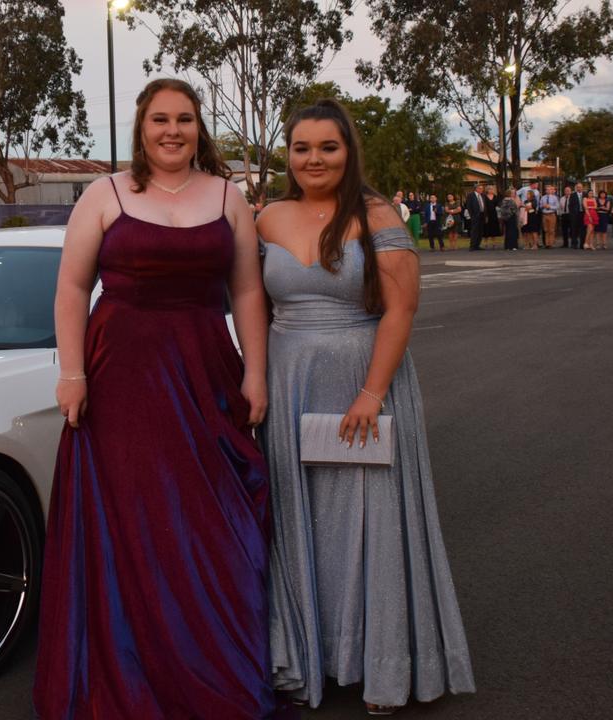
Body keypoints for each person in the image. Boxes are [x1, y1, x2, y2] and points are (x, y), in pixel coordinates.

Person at [34, 78, 275, 719]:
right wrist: (73, 372)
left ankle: (208, 667)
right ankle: (132, 671)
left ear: (200, 128)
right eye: (160, 119)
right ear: (141, 127)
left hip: (205, 373)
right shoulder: (104, 193)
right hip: (121, 381)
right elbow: (70, 289)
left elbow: (248, 291)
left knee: (211, 523)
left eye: (185, 119)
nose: (173, 130)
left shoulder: (228, 197)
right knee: (132, 522)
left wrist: (257, 372)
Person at [256, 98, 474, 717]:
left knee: (368, 518)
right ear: (288, 154)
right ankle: (308, 658)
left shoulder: (376, 213)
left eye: (328, 146)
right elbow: (246, 301)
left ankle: (382, 664)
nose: (314, 159)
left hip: (364, 379)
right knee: (300, 519)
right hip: (289, 380)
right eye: (302, 148)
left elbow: (402, 307)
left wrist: (372, 394)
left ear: (348, 150)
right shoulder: (266, 218)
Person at [465, 183, 487, 251]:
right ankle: (472, 246)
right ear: (476, 189)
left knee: (480, 231)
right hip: (475, 216)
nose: (482, 190)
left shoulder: (483, 195)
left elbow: (484, 205)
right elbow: (469, 206)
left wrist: (486, 215)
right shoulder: (471, 195)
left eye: (482, 189)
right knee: (474, 231)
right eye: (480, 188)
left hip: (482, 215)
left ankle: (477, 245)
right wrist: (472, 215)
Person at [539, 185, 559, 249]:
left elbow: (557, 206)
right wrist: (543, 206)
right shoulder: (543, 197)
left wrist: (550, 206)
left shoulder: (554, 198)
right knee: (546, 230)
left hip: (551, 214)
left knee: (551, 230)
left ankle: (551, 243)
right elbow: (540, 205)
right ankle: (547, 243)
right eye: (547, 189)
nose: (548, 191)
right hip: (545, 215)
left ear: (551, 190)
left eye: (549, 189)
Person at [566, 183, 586, 249]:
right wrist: (572, 214)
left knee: (583, 230)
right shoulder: (573, 195)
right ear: (576, 188)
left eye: (580, 187)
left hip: (583, 214)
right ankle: (574, 244)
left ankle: (582, 244)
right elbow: (570, 205)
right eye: (578, 187)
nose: (579, 188)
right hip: (575, 215)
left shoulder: (585, 194)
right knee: (574, 229)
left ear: (582, 187)